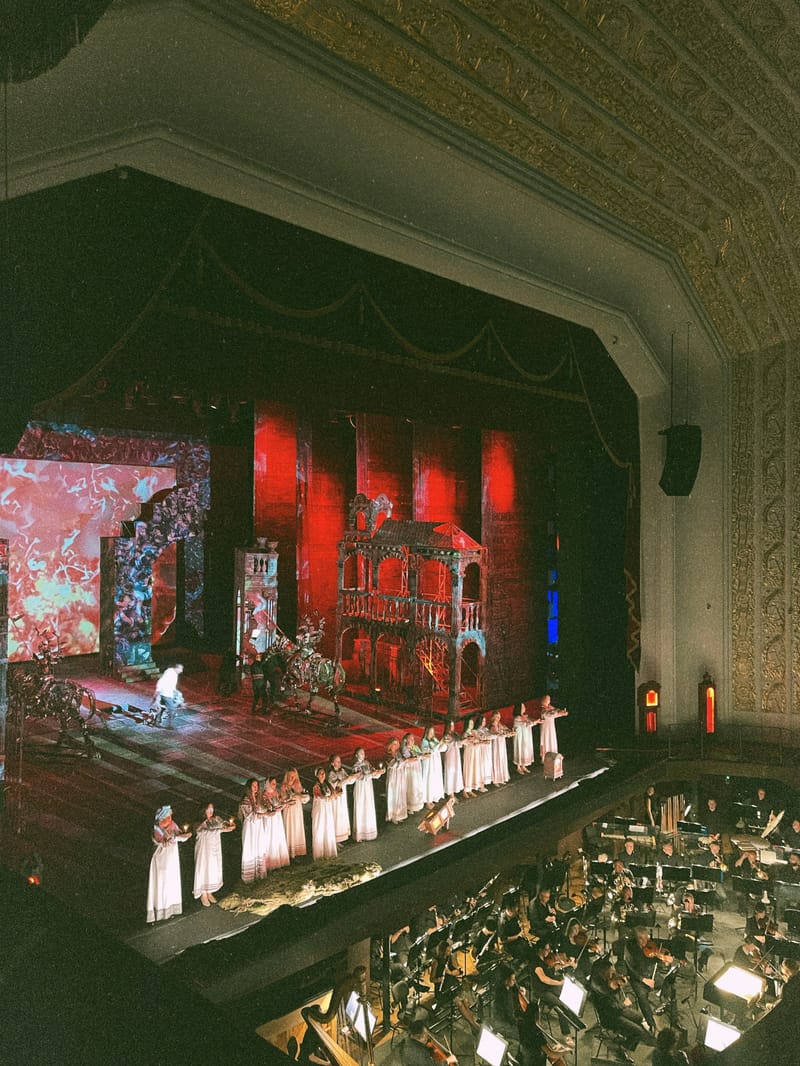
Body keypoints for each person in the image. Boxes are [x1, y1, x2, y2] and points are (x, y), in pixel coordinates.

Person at [146, 804, 191, 923]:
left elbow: (178, 835)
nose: (169, 820)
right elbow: (163, 842)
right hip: (162, 860)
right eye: (166, 818)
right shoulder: (157, 829)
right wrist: (173, 838)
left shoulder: (173, 825)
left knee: (172, 883)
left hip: (172, 859)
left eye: (170, 817)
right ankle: (160, 913)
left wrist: (184, 836)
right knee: (162, 884)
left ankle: (171, 910)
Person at [529, 940, 575, 1043]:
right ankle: (567, 1035)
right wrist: (559, 983)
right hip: (541, 992)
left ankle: (571, 1019)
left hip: (548, 988)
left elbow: (549, 971)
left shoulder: (543, 959)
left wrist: (563, 965)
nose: (549, 951)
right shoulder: (535, 962)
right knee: (561, 1006)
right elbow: (544, 979)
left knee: (566, 995)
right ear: (540, 950)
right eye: (547, 949)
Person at [193, 801, 235, 906]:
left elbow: (223, 824)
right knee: (204, 868)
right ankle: (203, 893)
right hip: (204, 850)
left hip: (214, 848)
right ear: (204, 811)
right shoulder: (199, 823)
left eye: (212, 809)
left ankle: (209, 891)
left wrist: (229, 825)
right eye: (209, 809)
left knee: (212, 868)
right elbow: (204, 831)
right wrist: (220, 830)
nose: (211, 811)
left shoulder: (215, 820)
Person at [239, 777, 268, 882]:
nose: (256, 788)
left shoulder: (258, 798)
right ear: (249, 787)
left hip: (258, 827)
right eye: (253, 786)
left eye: (257, 786)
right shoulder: (245, 801)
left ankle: (260, 874)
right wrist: (264, 814)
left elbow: (262, 809)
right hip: (250, 828)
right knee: (250, 848)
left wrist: (267, 811)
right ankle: (250, 877)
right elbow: (251, 816)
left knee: (259, 846)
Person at [351, 746, 384, 842]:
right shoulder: (355, 766)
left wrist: (379, 772)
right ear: (356, 755)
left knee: (368, 807)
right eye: (361, 753)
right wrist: (372, 774)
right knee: (361, 807)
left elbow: (373, 773)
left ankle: (369, 832)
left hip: (368, 788)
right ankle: (360, 834)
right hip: (361, 789)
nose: (363, 755)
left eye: (363, 753)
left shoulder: (367, 763)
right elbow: (361, 777)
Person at [262, 776, 291, 869]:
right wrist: (281, 806)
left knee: (278, 835)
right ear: (268, 784)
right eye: (273, 783)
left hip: (277, 817)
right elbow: (270, 807)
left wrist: (285, 803)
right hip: (270, 818)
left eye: (275, 783)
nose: (274, 785)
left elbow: (280, 801)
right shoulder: (264, 795)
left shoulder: (276, 793)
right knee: (271, 836)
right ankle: (271, 862)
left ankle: (280, 860)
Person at [280, 767, 309, 858]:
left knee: (297, 828)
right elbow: (283, 799)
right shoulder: (284, 786)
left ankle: (298, 852)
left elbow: (304, 798)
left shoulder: (297, 785)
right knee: (289, 828)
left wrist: (301, 795)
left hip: (297, 810)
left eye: (293, 776)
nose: (291, 778)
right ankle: (289, 853)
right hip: (289, 810)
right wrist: (290, 797)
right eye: (289, 776)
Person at [311, 766, 338, 860]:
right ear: (317, 775)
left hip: (327, 808)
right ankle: (319, 854)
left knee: (328, 827)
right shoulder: (316, 786)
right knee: (320, 828)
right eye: (320, 773)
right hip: (320, 809)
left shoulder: (327, 784)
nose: (322, 775)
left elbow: (334, 793)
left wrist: (334, 794)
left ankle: (329, 851)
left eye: (323, 773)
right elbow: (322, 796)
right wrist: (330, 797)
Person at [327, 753, 354, 844]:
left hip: (342, 798)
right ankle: (335, 840)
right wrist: (348, 778)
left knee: (342, 815)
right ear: (332, 763)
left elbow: (347, 780)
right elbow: (337, 783)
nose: (339, 763)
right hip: (336, 799)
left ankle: (341, 837)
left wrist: (353, 777)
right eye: (337, 761)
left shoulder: (342, 771)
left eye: (340, 761)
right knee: (336, 815)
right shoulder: (331, 774)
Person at [420, 725, 446, 808]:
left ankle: (433, 797)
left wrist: (443, 743)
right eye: (430, 732)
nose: (432, 734)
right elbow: (428, 752)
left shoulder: (434, 739)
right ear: (427, 732)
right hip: (429, 763)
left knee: (434, 779)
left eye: (433, 732)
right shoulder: (424, 741)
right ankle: (427, 800)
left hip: (435, 763)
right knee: (428, 779)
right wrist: (439, 745)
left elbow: (441, 749)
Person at [385, 737, 408, 824]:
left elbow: (402, 762)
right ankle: (393, 815)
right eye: (394, 744)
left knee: (400, 794)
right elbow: (393, 764)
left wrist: (403, 761)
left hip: (400, 775)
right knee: (394, 794)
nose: (396, 746)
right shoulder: (388, 754)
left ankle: (400, 814)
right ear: (390, 745)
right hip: (393, 776)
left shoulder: (398, 753)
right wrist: (403, 761)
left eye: (397, 744)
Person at [402, 732, 425, 814]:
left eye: (413, 739)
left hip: (417, 768)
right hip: (411, 770)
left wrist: (422, 756)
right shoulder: (405, 749)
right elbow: (408, 759)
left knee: (417, 786)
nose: (412, 740)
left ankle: (417, 805)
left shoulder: (414, 747)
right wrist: (419, 757)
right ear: (406, 740)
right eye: (410, 739)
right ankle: (410, 806)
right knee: (412, 786)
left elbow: (420, 754)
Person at [442, 719, 465, 800]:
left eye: (453, 725)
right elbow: (452, 744)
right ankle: (450, 794)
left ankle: (454, 791)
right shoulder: (446, 736)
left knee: (456, 772)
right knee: (450, 773)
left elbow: (458, 744)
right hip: (450, 756)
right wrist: (462, 741)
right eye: (451, 726)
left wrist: (463, 741)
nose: (452, 727)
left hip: (456, 755)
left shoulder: (455, 734)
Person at [489, 710, 511, 785]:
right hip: (496, 745)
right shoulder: (492, 725)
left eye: (499, 717)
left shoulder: (500, 724)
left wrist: (508, 732)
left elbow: (505, 729)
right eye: (497, 717)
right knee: (496, 759)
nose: (498, 718)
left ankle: (502, 777)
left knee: (502, 759)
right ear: (493, 717)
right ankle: (496, 779)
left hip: (501, 744)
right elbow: (496, 732)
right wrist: (502, 733)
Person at [512, 702, 534, 774]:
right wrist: (534, 722)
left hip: (524, 735)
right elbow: (525, 723)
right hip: (519, 736)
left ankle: (523, 765)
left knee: (524, 749)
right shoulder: (517, 718)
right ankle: (518, 767)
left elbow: (528, 722)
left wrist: (534, 721)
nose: (524, 708)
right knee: (519, 749)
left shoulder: (524, 716)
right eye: (523, 707)